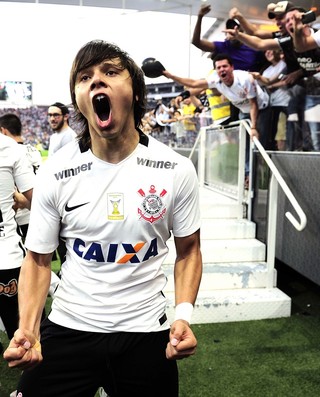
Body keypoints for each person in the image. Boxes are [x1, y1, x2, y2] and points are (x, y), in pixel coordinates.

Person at [3, 40, 202, 397]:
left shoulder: (176, 169)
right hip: (69, 326)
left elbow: (189, 251)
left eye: (111, 72)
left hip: (145, 331)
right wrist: (30, 329)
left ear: (136, 94)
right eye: (85, 77)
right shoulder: (55, 172)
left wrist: (183, 314)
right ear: (78, 99)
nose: (97, 81)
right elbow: (37, 259)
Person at [0, 132, 34, 359]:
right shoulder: (8, 147)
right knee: (21, 334)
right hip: (6, 254)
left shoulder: (9, 148)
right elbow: (37, 198)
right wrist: (22, 200)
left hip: (6, 254)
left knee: (19, 333)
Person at [0, 113, 41, 238]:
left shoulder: (8, 153)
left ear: (3, 131)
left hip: (17, 219)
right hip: (38, 214)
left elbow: (18, 198)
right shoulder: (34, 151)